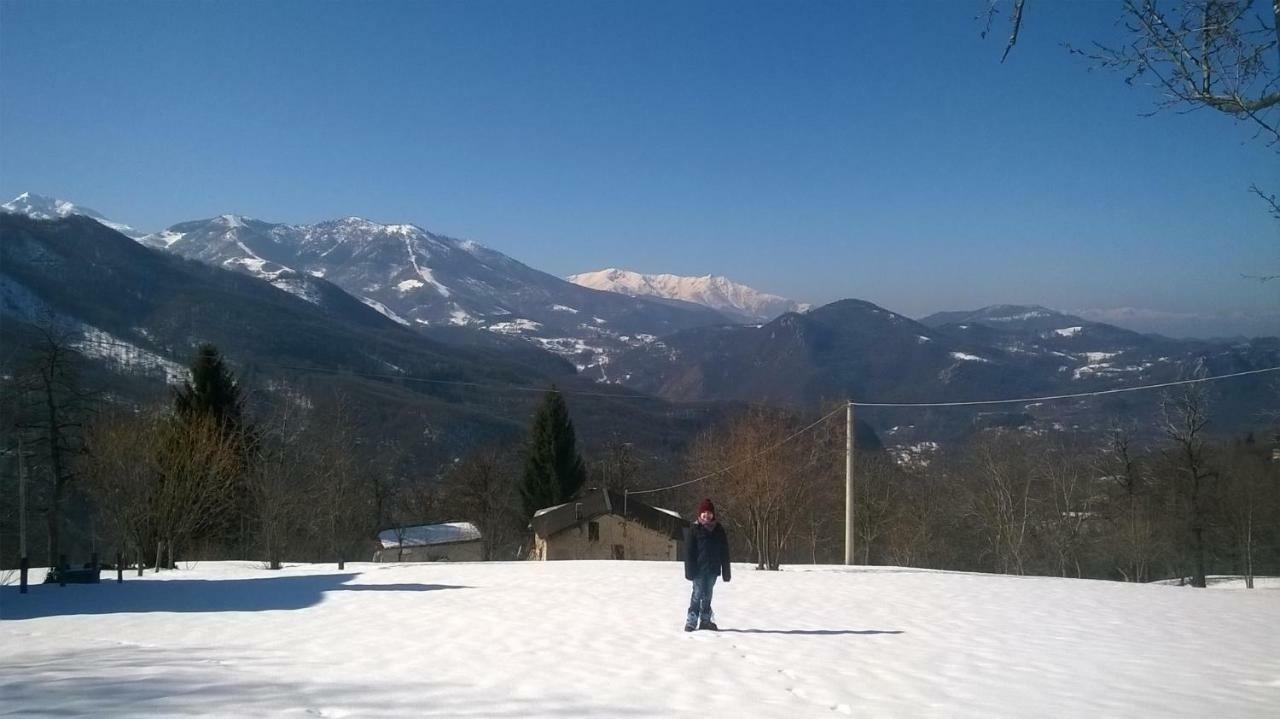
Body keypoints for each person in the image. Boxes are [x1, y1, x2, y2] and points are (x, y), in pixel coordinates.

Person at [683, 497, 731, 631]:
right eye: (704, 513)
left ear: (713, 515)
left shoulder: (718, 530)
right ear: (699, 514)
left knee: (708, 595)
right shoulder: (694, 529)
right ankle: (691, 620)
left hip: (712, 569)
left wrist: (726, 572)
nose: (707, 515)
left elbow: (724, 552)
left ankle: (705, 620)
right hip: (698, 570)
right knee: (697, 594)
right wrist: (689, 571)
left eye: (709, 513)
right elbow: (688, 552)